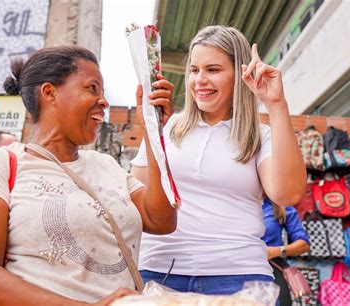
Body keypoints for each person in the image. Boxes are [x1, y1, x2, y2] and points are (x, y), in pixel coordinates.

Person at [0, 46, 176, 305]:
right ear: (49, 93)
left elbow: (161, 220)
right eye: (91, 88)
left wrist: (153, 132)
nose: (104, 101)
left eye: (103, 93)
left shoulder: (106, 165)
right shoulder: (2, 165)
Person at [130, 25, 307, 295]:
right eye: (194, 70)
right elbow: (139, 199)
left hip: (237, 277)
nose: (200, 80)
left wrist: (276, 104)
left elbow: (287, 193)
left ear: (240, 74)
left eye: (213, 70)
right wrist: (154, 135)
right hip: (158, 271)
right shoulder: (166, 124)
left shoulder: (260, 135)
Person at [262, 198, 310, 305]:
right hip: (239, 268)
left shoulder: (279, 206)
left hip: (273, 267)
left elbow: (303, 245)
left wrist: (277, 251)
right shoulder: (236, 205)